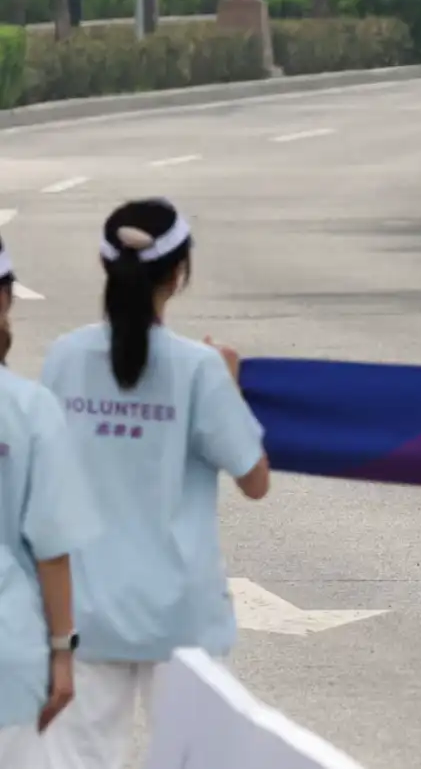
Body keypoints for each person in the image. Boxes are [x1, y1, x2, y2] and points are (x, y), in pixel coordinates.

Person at [38, 198, 272, 769]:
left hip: (86, 616)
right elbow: (255, 479)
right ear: (179, 274)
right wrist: (231, 390)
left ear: (104, 267)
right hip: (183, 620)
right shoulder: (201, 369)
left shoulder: (64, 359)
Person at [0, 235, 101, 768]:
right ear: (5, 298)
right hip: (9, 660)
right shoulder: (30, 408)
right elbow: (52, 548)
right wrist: (63, 652)